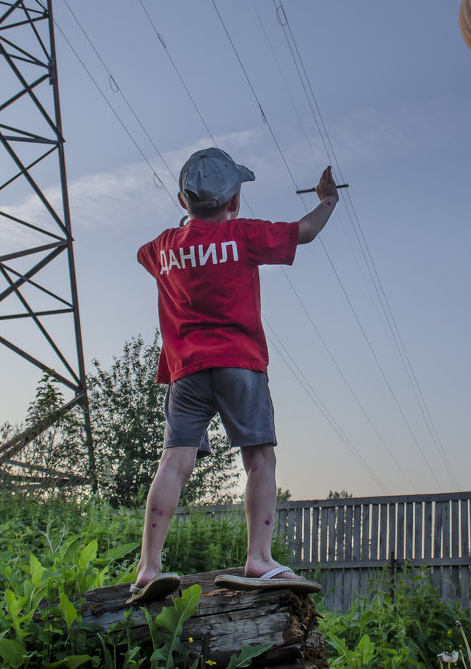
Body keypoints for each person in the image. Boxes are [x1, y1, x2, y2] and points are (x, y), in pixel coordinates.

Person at [128, 147, 339, 603]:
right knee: (259, 458)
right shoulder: (242, 235)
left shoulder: (162, 247)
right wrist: (327, 201)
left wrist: (186, 239)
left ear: (184, 202)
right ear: (235, 202)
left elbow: (142, 255)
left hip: (185, 371)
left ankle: (148, 567)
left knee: (173, 463)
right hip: (240, 364)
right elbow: (304, 232)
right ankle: (259, 560)